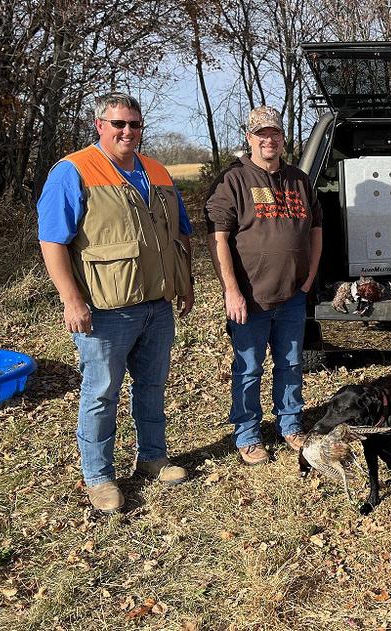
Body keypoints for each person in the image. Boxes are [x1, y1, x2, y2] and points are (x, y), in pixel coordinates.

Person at [37, 92, 194, 513]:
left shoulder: (158, 171)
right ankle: (99, 476)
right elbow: (52, 240)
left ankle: (152, 457)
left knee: (153, 385)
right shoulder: (73, 171)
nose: (128, 132)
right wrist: (71, 300)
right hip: (105, 309)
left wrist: (186, 284)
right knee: (101, 394)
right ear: (99, 126)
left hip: (157, 305)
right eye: (118, 124)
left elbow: (180, 231)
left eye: (135, 124)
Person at [204, 105, 322, 466]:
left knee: (290, 364)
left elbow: (316, 230)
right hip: (250, 299)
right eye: (261, 134)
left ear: (283, 138)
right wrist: (231, 291)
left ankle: (290, 424)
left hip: (292, 296)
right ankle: (248, 433)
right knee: (249, 367)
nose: (269, 140)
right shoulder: (234, 180)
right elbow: (218, 238)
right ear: (249, 137)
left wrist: (310, 278)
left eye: (275, 133)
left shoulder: (299, 180)